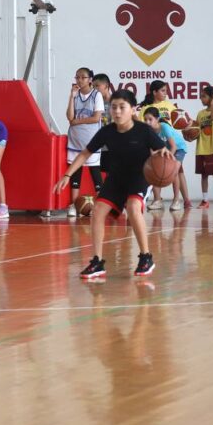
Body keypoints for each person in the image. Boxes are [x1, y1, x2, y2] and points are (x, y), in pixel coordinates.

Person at [55, 90, 169, 279]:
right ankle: (97, 261)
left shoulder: (143, 130)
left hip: (138, 177)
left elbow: (162, 151)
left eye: (122, 107)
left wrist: (166, 160)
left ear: (133, 110)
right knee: (98, 211)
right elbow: (85, 153)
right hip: (116, 178)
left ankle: (146, 257)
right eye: (113, 107)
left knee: (133, 207)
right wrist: (67, 175)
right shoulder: (107, 131)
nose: (116, 111)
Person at [65, 67, 104, 217]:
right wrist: (71, 96)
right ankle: (73, 206)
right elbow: (69, 117)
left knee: (96, 175)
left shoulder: (96, 95)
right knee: (75, 174)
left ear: (90, 80)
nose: (79, 80)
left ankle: (101, 206)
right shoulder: (75, 95)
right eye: (77, 77)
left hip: (92, 141)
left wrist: (77, 121)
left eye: (83, 77)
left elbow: (95, 118)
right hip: (75, 141)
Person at [142, 107, 188, 211]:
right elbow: (152, 152)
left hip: (178, 148)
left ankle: (176, 201)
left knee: (174, 170)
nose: (147, 122)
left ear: (157, 119)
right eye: (145, 120)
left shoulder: (164, 127)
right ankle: (158, 200)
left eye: (150, 119)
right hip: (164, 149)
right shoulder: (148, 131)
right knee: (153, 169)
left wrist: (168, 162)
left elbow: (173, 147)